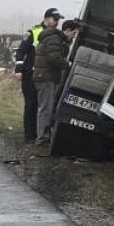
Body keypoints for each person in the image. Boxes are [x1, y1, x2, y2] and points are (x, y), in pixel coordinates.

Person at [15, 8, 64, 143]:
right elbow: (21, 51)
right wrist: (18, 69)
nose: (57, 22)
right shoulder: (34, 32)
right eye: (55, 19)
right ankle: (29, 135)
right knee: (31, 104)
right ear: (46, 19)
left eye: (58, 20)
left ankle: (39, 133)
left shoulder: (56, 35)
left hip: (44, 75)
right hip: (29, 73)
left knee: (42, 105)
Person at [33, 16, 79, 147]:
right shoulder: (55, 39)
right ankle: (42, 138)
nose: (73, 37)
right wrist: (68, 64)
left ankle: (43, 136)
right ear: (68, 30)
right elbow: (54, 58)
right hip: (46, 77)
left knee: (45, 107)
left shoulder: (55, 39)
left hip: (44, 76)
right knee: (45, 108)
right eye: (74, 34)